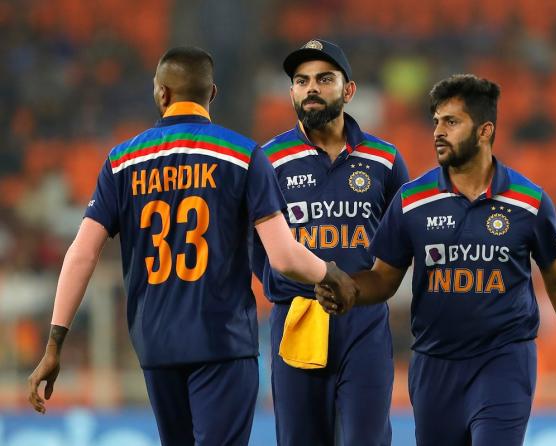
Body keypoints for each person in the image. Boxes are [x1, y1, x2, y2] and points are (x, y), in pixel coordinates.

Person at [27, 46, 358, 446]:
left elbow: (82, 253)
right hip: (223, 343)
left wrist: (54, 343)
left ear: (161, 93)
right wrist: (331, 273)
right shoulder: (244, 156)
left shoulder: (121, 162)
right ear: (212, 94)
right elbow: (285, 256)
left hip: (156, 345)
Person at [317, 74, 556, 446]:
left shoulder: (529, 202)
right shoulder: (411, 201)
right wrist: (349, 289)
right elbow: (384, 279)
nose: (438, 131)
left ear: (485, 130)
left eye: (451, 122)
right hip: (434, 366)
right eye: (436, 121)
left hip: (504, 359)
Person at [253, 38, 409, 446]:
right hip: (298, 318)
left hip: (365, 322)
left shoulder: (386, 160)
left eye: (324, 79)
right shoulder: (267, 161)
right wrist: (289, 287)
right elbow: (256, 250)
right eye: (301, 81)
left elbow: (404, 241)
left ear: (348, 90)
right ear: (291, 92)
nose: (311, 88)